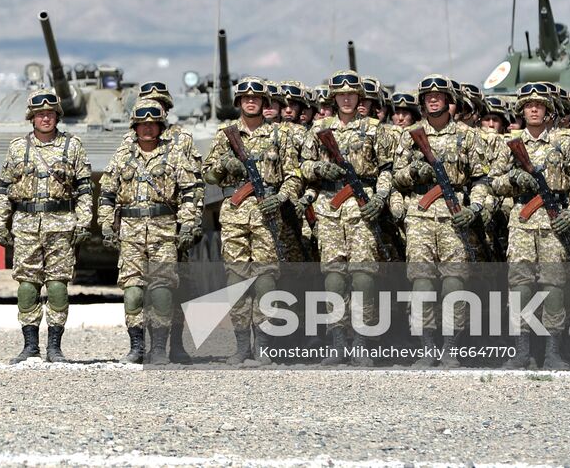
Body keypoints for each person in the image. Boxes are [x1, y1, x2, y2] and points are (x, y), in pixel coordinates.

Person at [387, 75, 493, 368]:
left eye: (439, 96)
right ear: (422, 103)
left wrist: (477, 207)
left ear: (450, 101)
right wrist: (415, 175)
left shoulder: (468, 136)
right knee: (421, 284)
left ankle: (450, 347)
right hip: (420, 217)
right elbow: (396, 177)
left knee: (454, 284)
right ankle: (427, 348)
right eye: (428, 97)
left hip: (454, 217)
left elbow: (481, 179)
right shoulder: (409, 136)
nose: (433, 99)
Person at [492, 83, 570, 370]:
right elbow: (494, 182)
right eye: (528, 105)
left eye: (539, 105)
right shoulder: (510, 144)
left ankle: (552, 352)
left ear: (549, 110)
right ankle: (522, 351)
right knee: (521, 288)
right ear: (522, 111)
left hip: (554, 223)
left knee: (553, 288)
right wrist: (514, 180)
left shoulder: (565, 142)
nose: (534, 109)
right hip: (523, 222)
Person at [296, 70, 397, 365]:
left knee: (364, 278)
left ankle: (362, 342)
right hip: (329, 207)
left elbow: (387, 170)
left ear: (360, 97)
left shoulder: (377, 130)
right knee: (333, 279)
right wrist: (317, 170)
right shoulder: (318, 130)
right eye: (341, 94)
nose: (347, 98)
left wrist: (380, 198)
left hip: (361, 205)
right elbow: (303, 166)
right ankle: (338, 342)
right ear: (334, 97)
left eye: (352, 94)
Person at [204, 77, 303, 364]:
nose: (251, 102)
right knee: (236, 280)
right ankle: (241, 346)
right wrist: (224, 165)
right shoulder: (226, 135)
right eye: (246, 98)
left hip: (267, 215)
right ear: (238, 103)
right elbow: (208, 173)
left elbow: (294, 175)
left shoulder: (279, 136)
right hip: (235, 214)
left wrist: (282, 197)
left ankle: (263, 345)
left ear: (264, 103)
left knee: (265, 281)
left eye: (256, 98)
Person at [0, 91, 93, 363]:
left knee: (58, 285)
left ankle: (55, 346)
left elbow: (84, 190)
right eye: (40, 114)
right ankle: (30, 345)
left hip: (61, 225)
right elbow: (3, 190)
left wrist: (84, 222)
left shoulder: (72, 146)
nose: (45, 118)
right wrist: (0, 223)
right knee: (27, 285)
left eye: (50, 114)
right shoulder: (17, 148)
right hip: (25, 224)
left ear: (57, 116)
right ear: (32, 118)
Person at [98, 103, 201, 364]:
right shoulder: (122, 156)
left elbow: (190, 193)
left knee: (162, 291)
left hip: (163, 231)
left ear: (160, 126)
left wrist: (188, 224)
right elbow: (107, 195)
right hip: (130, 233)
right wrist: (106, 225)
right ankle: (137, 347)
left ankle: (158, 349)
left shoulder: (174, 154)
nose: (147, 128)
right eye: (142, 124)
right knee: (132, 291)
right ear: (134, 127)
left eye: (153, 123)